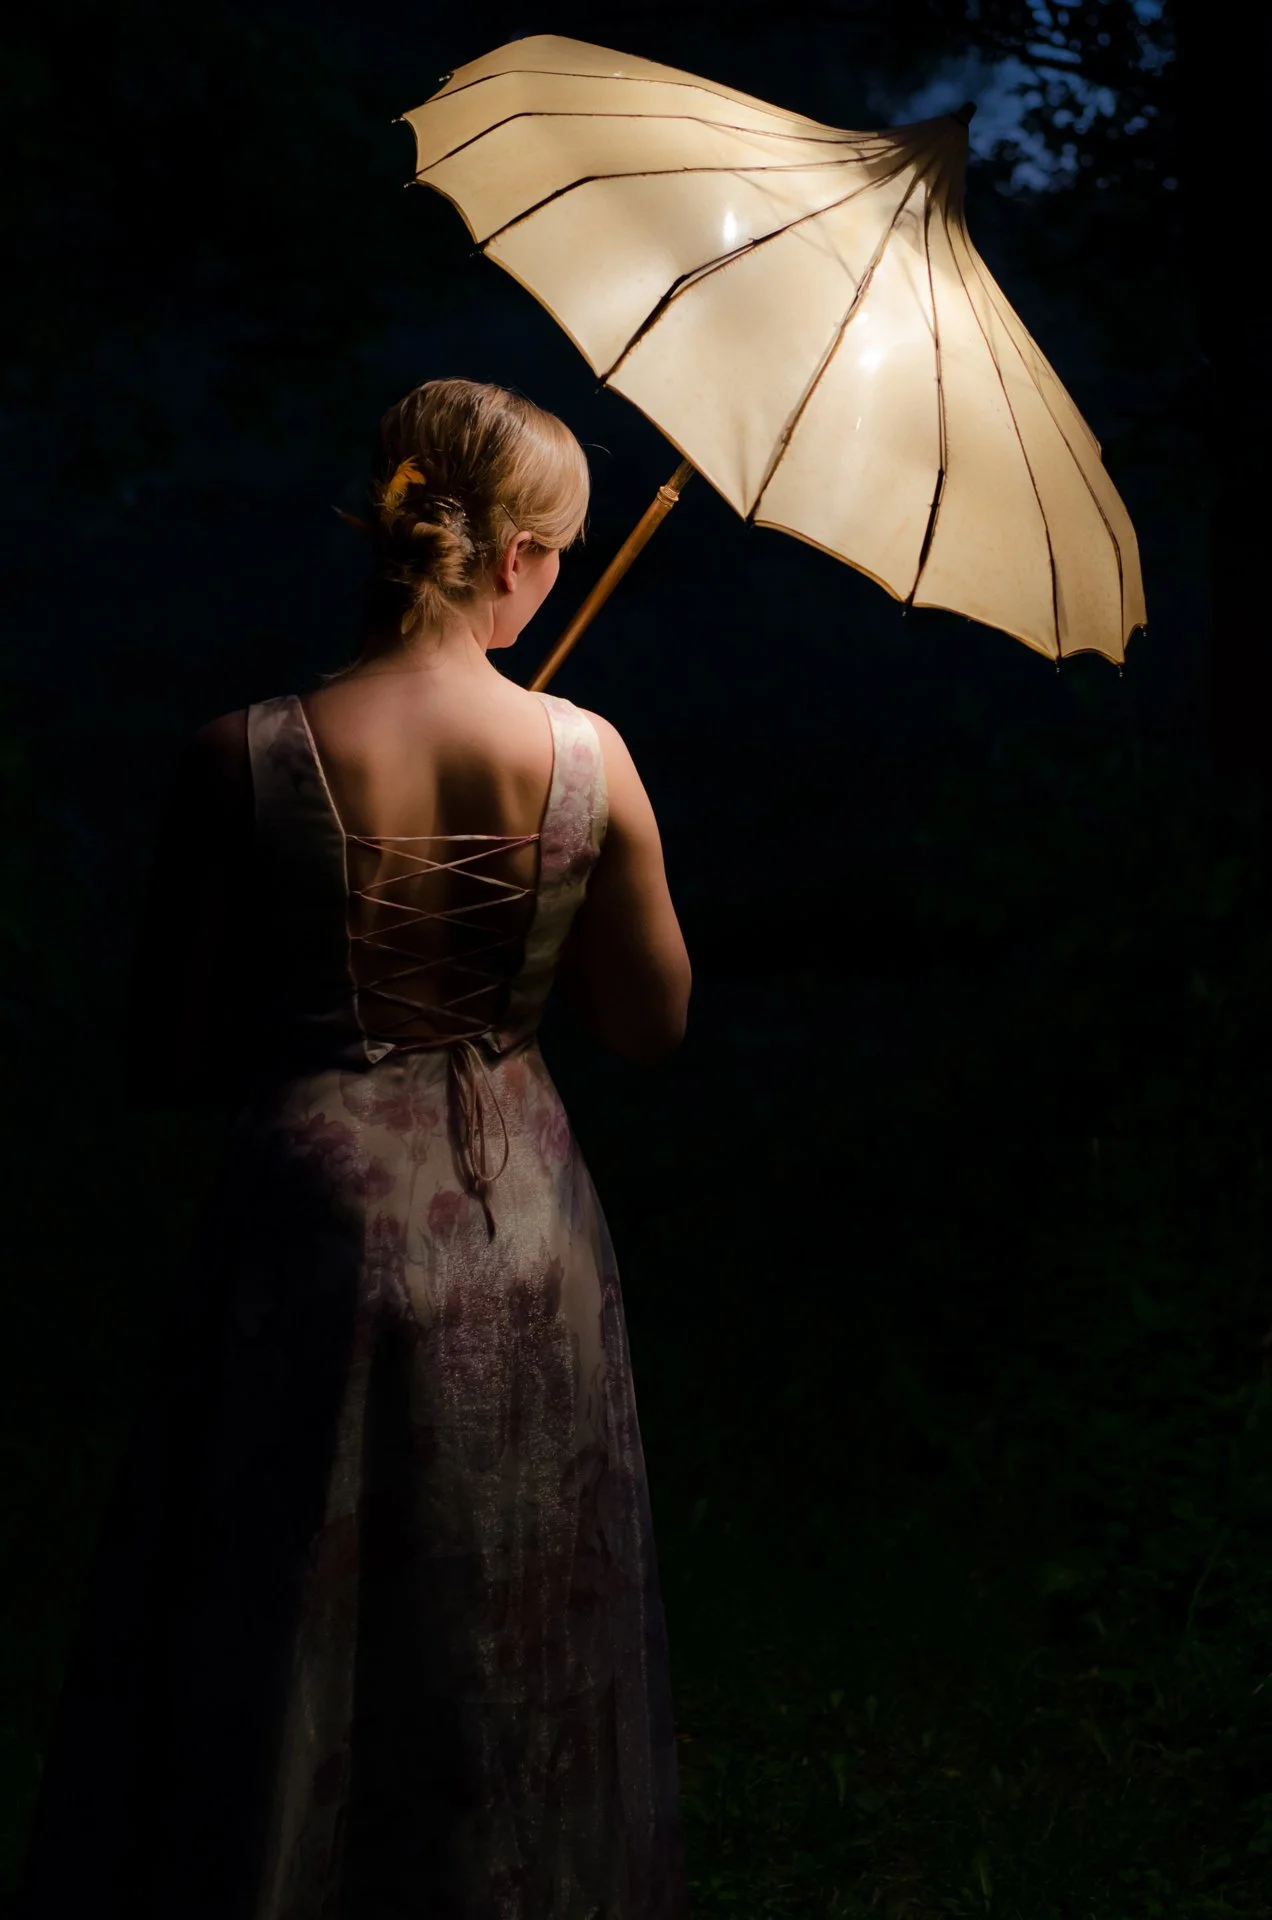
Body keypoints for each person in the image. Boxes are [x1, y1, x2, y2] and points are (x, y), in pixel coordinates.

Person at [15, 378, 693, 1918]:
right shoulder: (588, 758)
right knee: (508, 1605)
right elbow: (650, 1024)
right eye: (561, 557)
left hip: (310, 1219)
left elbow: (170, 1056)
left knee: (277, 1607)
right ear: (516, 556)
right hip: (521, 1224)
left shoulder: (239, 756)